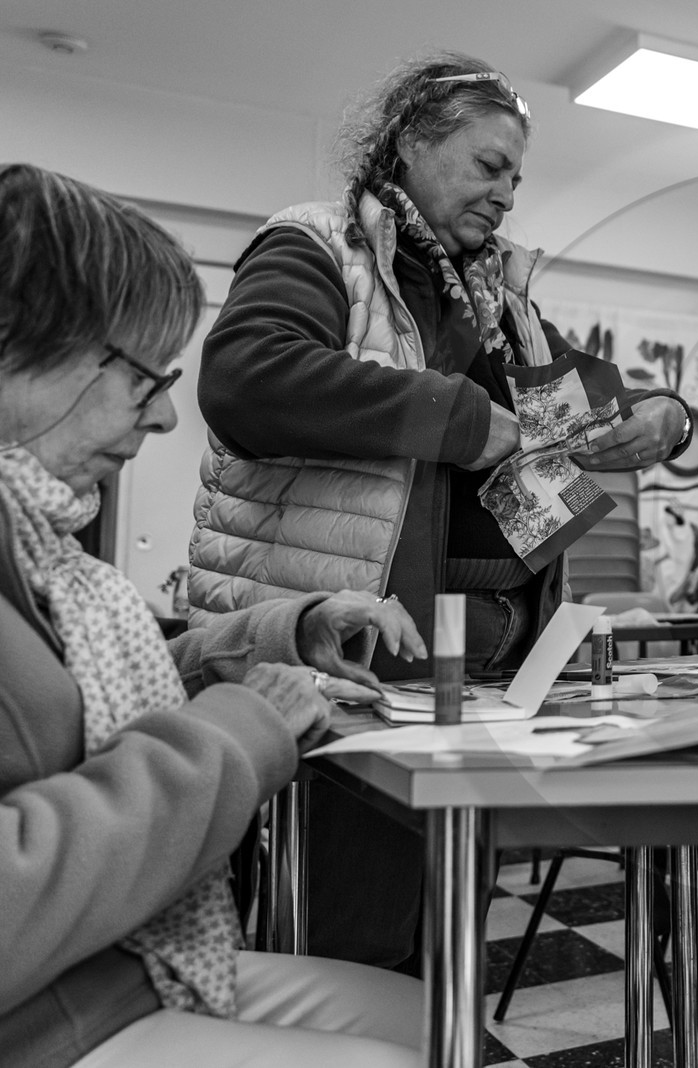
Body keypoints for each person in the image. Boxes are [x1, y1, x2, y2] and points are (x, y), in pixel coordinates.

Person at [185, 52, 693, 968]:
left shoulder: (498, 296)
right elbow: (245, 378)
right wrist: (457, 419)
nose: (506, 195)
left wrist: (665, 413)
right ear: (412, 143)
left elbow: (593, 396)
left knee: (447, 936)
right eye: (489, 166)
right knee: (354, 941)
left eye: (516, 179)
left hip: (488, 675)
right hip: (362, 664)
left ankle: (430, 1028)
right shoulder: (316, 245)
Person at [0, 163, 432, 1067]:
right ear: (19, 350)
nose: (166, 416)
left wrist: (284, 631)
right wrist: (236, 733)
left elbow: (89, 696)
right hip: (47, 1015)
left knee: (438, 1021)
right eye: (142, 376)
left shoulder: (40, 549)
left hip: (101, 972)